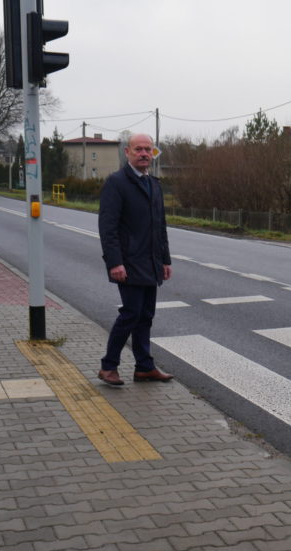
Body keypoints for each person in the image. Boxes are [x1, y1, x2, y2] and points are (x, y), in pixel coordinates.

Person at [97, 133, 173, 387]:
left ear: (153, 153)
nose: (143, 154)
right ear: (127, 152)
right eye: (138, 149)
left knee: (146, 315)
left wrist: (165, 259)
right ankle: (109, 366)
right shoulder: (117, 183)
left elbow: (159, 226)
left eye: (148, 150)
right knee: (131, 314)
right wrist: (114, 262)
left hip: (150, 262)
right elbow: (108, 228)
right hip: (128, 263)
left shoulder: (154, 184)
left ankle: (144, 367)